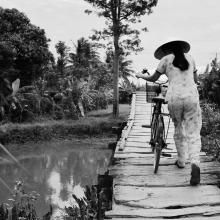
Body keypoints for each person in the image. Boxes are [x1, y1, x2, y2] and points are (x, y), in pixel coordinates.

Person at [136, 40, 202, 186]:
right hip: (191, 96)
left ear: (167, 50)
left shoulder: (165, 60)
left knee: (178, 128)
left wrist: (140, 75)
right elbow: (196, 79)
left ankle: (181, 161)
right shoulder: (190, 58)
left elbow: (153, 78)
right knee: (193, 132)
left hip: (174, 97)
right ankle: (195, 164)